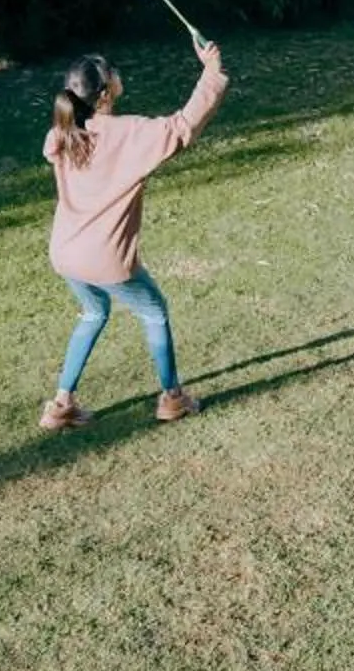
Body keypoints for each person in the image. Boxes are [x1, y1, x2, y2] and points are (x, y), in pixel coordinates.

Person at [38, 45, 229, 429]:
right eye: (113, 72)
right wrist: (211, 72)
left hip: (65, 253)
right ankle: (173, 399)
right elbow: (182, 127)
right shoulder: (125, 134)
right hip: (104, 258)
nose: (119, 73)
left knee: (93, 312)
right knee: (154, 311)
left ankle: (61, 405)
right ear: (106, 93)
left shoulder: (62, 133)